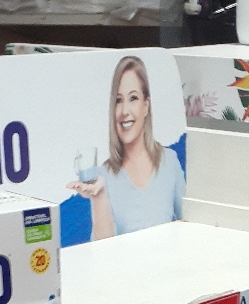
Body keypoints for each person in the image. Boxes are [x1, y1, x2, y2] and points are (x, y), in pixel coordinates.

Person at [65, 55, 185, 241]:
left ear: (146, 106)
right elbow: (103, 250)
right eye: (118, 101)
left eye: (133, 98)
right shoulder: (101, 176)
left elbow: (189, 226)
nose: (124, 111)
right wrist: (99, 195)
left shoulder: (169, 161)